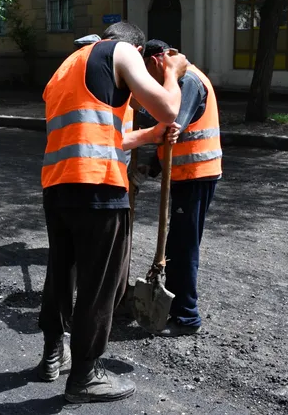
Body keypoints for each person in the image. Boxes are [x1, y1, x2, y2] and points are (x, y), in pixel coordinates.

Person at [37, 21, 189, 404]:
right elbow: (170, 107)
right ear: (136, 52)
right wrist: (172, 72)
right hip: (99, 187)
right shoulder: (121, 53)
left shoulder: (68, 67)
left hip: (58, 186)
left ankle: (52, 353)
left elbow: (112, 137)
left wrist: (152, 135)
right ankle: (85, 375)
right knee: (102, 284)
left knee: (61, 272)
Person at [138, 39, 222, 337]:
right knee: (178, 243)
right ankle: (177, 309)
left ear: (160, 59)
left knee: (182, 247)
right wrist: (155, 165)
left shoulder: (187, 80)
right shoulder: (180, 81)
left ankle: (187, 317)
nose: (146, 77)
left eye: (147, 70)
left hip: (196, 174)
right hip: (186, 173)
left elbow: (171, 123)